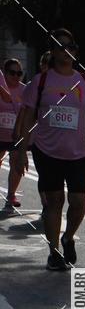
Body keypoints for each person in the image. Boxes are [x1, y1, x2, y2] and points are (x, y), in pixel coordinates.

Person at [15, 29, 85, 270]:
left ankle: (68, 237)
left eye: (71, 46)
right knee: (54, 202)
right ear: (53, 52)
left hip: (78, 154)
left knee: (79, 202)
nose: (68, 50)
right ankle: (54, 252)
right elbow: (28, 116)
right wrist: (23, 150)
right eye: (61, 46)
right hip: (46, 151)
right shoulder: (40, 81)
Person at [0, 59, 26, 209]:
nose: (16, 76)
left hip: (15, 135)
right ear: (5, 73)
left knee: (16, 162)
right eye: (12, 73)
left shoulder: (24, 90)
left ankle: (11, 195)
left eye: (19, 73)